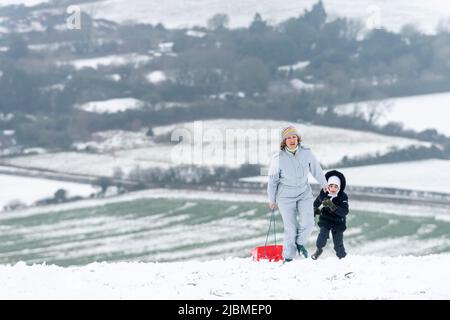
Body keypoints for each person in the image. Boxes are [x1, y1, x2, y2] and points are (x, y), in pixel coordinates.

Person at [267, 125, 328, 262]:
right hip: (285, 197)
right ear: (284, 141)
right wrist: (272, 200)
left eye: (294, 137)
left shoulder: (306, 152)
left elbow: (316, 170)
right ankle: (288, 257)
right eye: (288, 138)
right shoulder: (278, 158)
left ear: (298, 138)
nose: (291, 140)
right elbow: (272, 181)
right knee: (291, 227)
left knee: (309, 223)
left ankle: (300, 244)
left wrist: (324, 184)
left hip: (303, 193)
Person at [311, 170, 349, 260]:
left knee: (338, 244)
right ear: (327, 186)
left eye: (336, 186)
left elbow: (345, 211)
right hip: (326, 218)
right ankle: (318, 250)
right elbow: (317, 202)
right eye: (331, 186)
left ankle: (343, 258)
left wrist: (332, 206)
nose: (333, 189)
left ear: (339, 188)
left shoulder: (343, 197)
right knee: (322, 236)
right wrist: (313, 210)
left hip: (338, 221)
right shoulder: (324, 193)